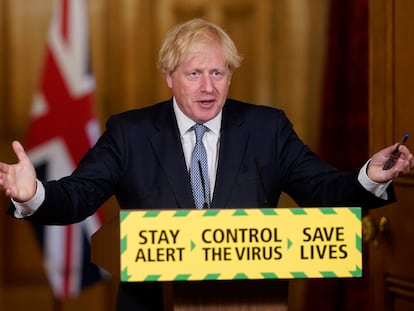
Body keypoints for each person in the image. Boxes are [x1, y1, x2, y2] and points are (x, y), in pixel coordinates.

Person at [0, 18, 413, 310]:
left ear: (230, 76)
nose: (208, 87)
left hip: (250, 303)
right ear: (169, 77)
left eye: (218, 72)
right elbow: (77, 197)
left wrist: (369, 177)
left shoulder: (268, 128)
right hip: (151, 304)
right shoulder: (129, 132)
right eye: (194, 73)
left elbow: (322, 189)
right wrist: (33, 193)